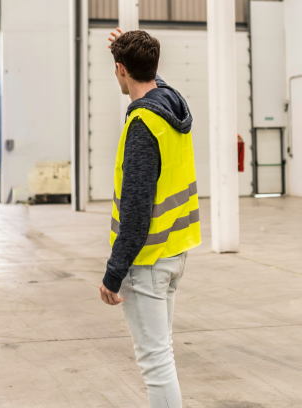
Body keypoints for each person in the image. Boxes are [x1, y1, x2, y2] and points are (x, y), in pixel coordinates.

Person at [99, 27, 201, 408]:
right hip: (175, 253)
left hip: (147, 261)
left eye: (117, 68)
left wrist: (114, 272)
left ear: (121, 69)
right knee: (163, 353)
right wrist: (135, 52)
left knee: (156, 364)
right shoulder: (172, 106)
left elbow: (137, 211)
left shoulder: (143, 124)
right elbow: (154, 80)